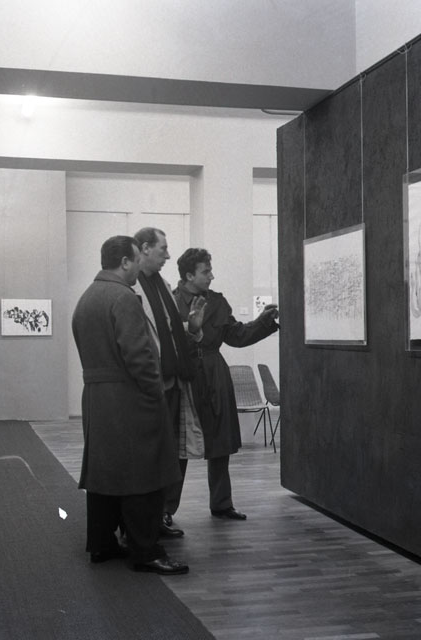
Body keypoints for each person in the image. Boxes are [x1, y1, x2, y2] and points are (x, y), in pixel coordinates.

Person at [72, 235, 188, 575]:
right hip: (129, 398)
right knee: (143, 475)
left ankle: (102, 544)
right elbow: (139, 356)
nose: (139, 266)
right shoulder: (123, 297)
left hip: (97, 399)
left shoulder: (87, 297)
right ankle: (145, 550)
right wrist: (155, 393)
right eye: (136, 259)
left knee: (105, 475)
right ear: (124, 262)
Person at [173, 248, 279, 520]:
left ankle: (221, 504)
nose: (212, 276)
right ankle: (165, 511)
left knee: (220, 440)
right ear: (189, 275)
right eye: (206, 271)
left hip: (214, 373)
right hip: (185, 374)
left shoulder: (217, 302)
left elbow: (236, 336)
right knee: (180, 443)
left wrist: (262, 322)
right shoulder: (170, 302)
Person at [133, 227, 206, 537]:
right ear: (145, 248)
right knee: (153, 454)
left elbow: (171, 335)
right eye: (163, 248)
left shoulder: (162, 285)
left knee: (177, 452)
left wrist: (193, 328)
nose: (167, 255)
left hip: (175, 382)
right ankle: (146, 518)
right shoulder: (131, 287)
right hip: (152, 386)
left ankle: (165, 512)